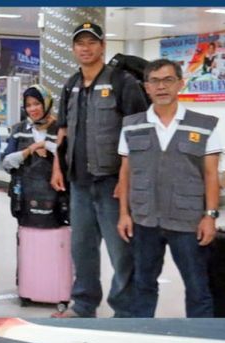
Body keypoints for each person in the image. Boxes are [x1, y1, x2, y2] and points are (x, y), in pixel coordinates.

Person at [50, 22, 148, 318]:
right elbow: (63, 132)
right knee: (82, 249)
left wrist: (127, 180)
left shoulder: (122, 82)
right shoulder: (71, 84)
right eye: (80, 43)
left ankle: (125, 312)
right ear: (73, 49)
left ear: (102, 46)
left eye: (92, 42)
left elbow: (139, 133)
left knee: (122, 253)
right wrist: (58, 166)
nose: (86, 48)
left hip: (112, 184)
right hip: (78, 183)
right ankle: (83, 304)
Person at [117, 58, 222, 317]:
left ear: (180, 84)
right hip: (145, 221)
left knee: (198, 288)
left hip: (188, 222)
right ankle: (143, 341)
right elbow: (125, 172)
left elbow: (211, 175)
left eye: (168, 80)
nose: (161, 86)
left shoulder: (206, 124)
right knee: (143, 286)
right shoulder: (132, 125)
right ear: (146, 87)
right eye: (154, 81)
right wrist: (124, 214)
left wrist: (210, 216)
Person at [2, 84, 62, 226]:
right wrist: (29, 150)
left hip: (56, 197)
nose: (32, 109)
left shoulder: (60, 128)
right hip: (24, 196)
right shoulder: (19, 129)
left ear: (46, 103)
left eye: (37, 103)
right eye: (28, 105)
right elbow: (7, 163)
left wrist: (45, 145)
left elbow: (68, 156)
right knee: (28, 241)